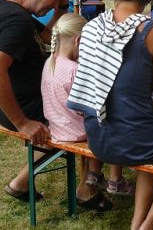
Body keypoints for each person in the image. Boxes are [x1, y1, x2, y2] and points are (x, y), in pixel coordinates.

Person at [66, 0, 153, 230]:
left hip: (99, 137)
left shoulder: (92, 28)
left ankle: (137, 223)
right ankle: (140, 225)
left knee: (142, 128)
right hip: (136, 141)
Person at [0, 0, 71, 202]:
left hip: (15, 103)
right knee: (84, 117)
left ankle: (20, 184)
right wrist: (22, 123)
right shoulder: (16, 21)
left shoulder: (7, 6)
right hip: (24, 107)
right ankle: (87, 188)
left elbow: (45, 36)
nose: (54, 5)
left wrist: (62, 9)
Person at [41, 13, 112, 211]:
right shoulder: (74, 70)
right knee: (105, 122)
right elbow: (88, 106)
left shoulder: (49, 62)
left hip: (57, 126)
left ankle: (91, 179)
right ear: (79, 41)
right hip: (75, 131)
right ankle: (91, 182)